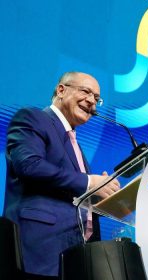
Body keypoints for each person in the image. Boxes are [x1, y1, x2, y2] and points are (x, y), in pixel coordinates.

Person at [3, 71, 120, 278]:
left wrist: (100, 194)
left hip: (76, 257)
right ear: (61, 90)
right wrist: (89, 182)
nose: (92, 101)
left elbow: (73, 192)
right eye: (86, 91)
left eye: (96, 98)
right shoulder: (32, 118)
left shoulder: (76, 146)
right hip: (39, 252)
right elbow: (29, 165)